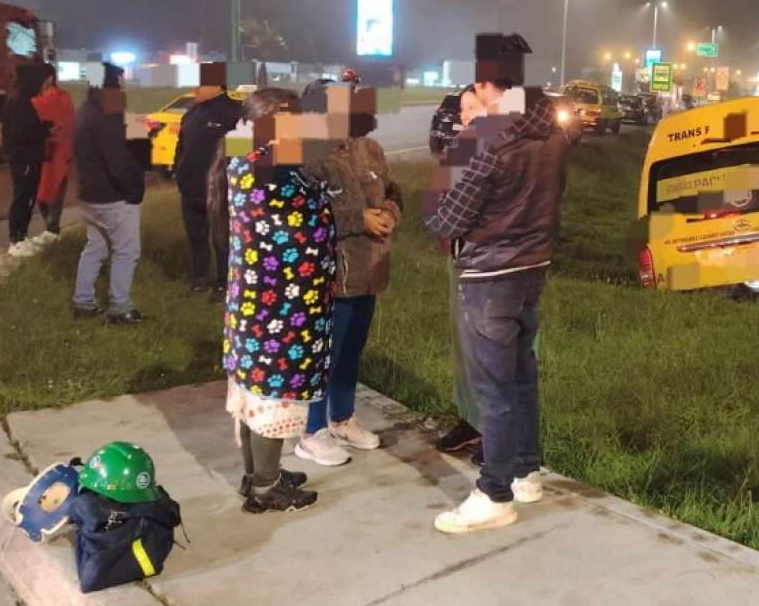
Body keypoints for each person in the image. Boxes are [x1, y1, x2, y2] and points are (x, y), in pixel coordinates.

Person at [424, 33, 568, 533]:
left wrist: (455, 151)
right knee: (523, 376)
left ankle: (494, 492)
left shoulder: (487, 137)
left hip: (489, 274)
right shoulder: (549, 130)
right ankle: (527, 470)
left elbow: (443, 219)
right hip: (533, 267)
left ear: (486, 83)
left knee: (494, 389)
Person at [207, 87, 342, 513]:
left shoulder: (251, 160)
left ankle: (258, 474)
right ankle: (265, 487)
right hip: (278, 312)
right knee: (271, 395)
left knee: (255, 393)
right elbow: (299, 225)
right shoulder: (267, 165)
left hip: (263, 307)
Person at [293, 78, 403, 467]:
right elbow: (301, 215)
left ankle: (342, 417)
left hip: (369, 271)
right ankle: (311, 429)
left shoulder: (368, 150)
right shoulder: (305, 156)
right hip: (328, 277)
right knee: (324, 353)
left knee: (352, 350)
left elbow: (393, 191)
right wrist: (358, 219)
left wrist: (388, 213)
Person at [434, 86, 487, 455]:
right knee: (463, 344)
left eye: (474, 107)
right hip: (459, 257)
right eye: (463, 108)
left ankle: (497, 431)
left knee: (492, 350)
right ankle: (470, 419)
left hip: (491, 265)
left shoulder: (505, 151)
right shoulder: (461, 150)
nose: (465, 115)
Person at [71, 63, 146, 324]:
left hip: (89, 195)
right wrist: (135, 190)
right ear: (111, 84)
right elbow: (118, 162)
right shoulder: (107, 113)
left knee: (95, 247)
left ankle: (83, 302)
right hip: (111, 197)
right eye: (120, 81)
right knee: (127, 252)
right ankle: (120, 308)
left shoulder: (86, 109)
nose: (124, 86)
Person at [173, 80, 241, 292]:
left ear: (218, 86)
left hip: (219, 187)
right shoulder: (192, 114)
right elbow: (181, 148)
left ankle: (224, 284)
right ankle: (200, 279)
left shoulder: (234, 114)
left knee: (221, 239)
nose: (196, 89)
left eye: (201, 85)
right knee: (196, 236)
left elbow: (241, 154)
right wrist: (179, 172)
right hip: (190, 188)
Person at [1, 61, 51, 257]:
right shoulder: (20, 102)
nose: (43, 86)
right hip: (24, 159)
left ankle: (22, 236)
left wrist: (42, 126)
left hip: (24, 157)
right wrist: (45, 130)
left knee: (26, 198)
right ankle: (16, 240)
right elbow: (22, 133)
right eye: (42, 82)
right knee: (24, 198)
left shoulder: (19, 100)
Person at [31, 63, 76, 246]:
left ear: (49, 79)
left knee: (51, 190)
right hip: (57, 152)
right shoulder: (63, 97)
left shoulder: (45, 100)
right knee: (50, 190)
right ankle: (52, 229)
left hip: (55, 152)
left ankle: (52, 229)